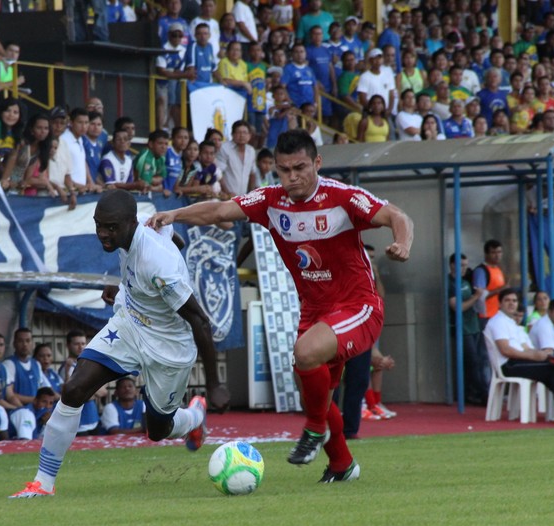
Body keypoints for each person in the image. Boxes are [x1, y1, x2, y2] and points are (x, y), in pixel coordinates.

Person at [149, 129, 413, 484]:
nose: (292, 177)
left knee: (304, 357)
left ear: (317, 163)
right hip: (315, 313)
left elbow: (398, 215)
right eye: (284, 170)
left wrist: (402, 242)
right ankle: (341, 465)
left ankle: (314, 431)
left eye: (300, 168)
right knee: (314, 394)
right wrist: (173, 214)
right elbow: (218, 210)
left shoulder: (342, 197)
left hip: (358, 306)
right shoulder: (271, 201)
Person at [9, 189, 229, 498]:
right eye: (99, 225)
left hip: (168, 346)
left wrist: (215, 383)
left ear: (130, 222)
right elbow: (171, 240)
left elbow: (200, 321)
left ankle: (193, 417)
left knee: (156, 430)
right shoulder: (140, 233)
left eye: (110, 227)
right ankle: (43, 484)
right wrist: (125, 286)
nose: (103, 234)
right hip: (130, 324)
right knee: (74, 389)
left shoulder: (158, 263)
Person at [484, 289, 554, 425]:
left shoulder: (513, 324)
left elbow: (526, 347)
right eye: (507, 300)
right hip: (509, 364)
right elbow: (506, 350)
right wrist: (533, 356)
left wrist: (538, 354)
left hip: (520, 360)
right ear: (500, 303)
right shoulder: (498, 322)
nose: (511, 304)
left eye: (514, 301)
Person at [59, 330, 105, 435]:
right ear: (68, 345)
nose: (81, 347)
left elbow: (103, 392)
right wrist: (92, 392)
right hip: (78, 424)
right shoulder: (67, 367)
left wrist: (87, 392)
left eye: (83, 344)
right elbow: (72, 395)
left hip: (93, 419)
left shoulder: (88, 365)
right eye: (76, 344)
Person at [6, 327, 47, 406]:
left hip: (37, 410)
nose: (24, 344)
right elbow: (10, 395)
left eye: (28, 341)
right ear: (14, 343)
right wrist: (25, 410)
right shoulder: (9, 364)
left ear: (32, 344)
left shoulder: (36, 364)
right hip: (19, 412)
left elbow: (42, 390)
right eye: (21, 341)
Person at [216, 119, 256, 197]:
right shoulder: (224, 148)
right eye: (238, 132)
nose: (242, 135)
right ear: (232, 134)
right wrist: (227, 193)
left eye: (245, 132)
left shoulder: (251, 151)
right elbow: (219, 174)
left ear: (249, 136)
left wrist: (252, 194)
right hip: (227, 196)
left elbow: (252, 174)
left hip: (244, 198)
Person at [472, 239, 507, 327]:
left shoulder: (498, 269)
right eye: (493, 252)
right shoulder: (481, 271)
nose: (497, 255)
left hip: (497, 315)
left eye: (499, 252)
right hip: (485, 316)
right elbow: (480, 296)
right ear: (486, 254)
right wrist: (501, 289)